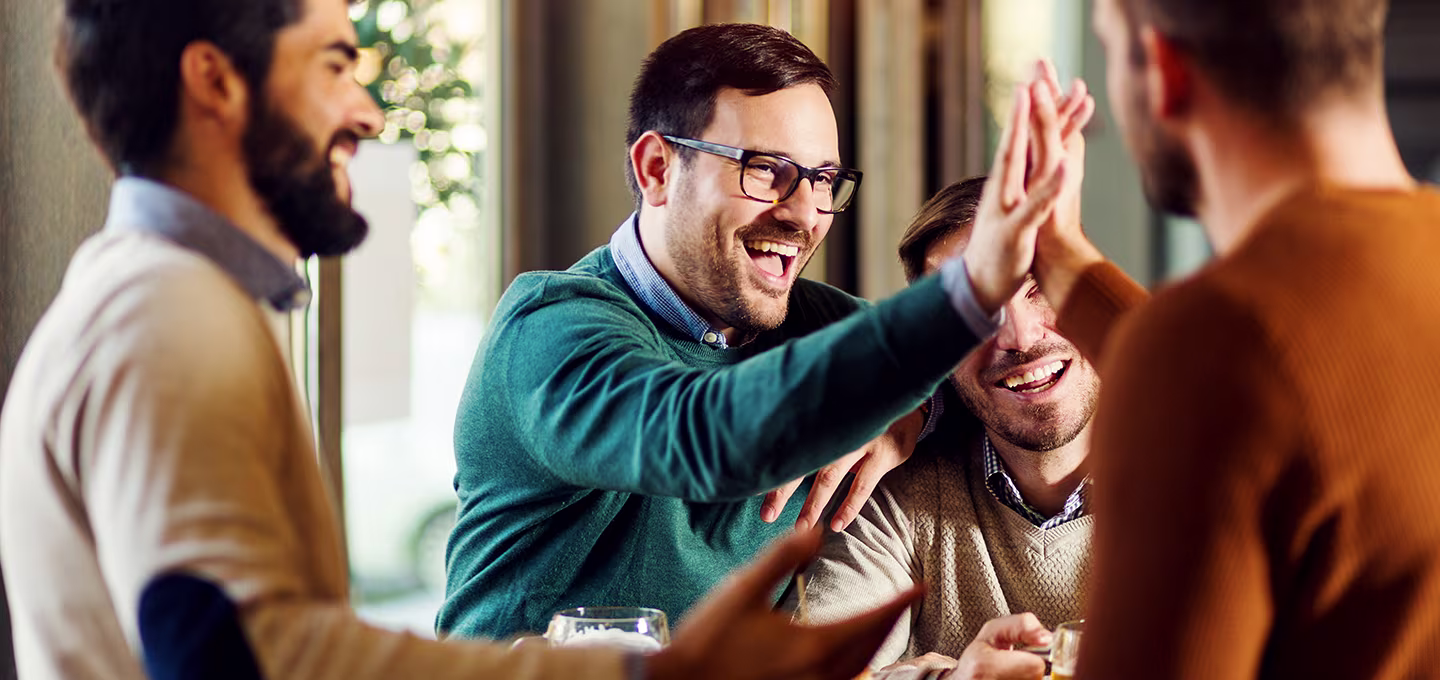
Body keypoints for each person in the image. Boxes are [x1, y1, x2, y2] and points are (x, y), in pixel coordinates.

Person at [0, 1, 938, 678]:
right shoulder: (171, 316)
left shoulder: (164, 298)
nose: (367, 112)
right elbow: (231, 653)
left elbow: (931, 369)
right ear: (213, 80)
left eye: (822, 179)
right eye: (334, 64)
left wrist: (894, 412)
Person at [438, 22, 1073, 640]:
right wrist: (968, 289)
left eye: (824, 180)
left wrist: (916, 408)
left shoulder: (825, 324)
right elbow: (702, 434)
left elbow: (993, 384)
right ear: (657, 168)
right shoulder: (548, 332)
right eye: (766, 169)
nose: (804, 215)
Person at [1026, 0, 1440, 677]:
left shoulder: (1209, 348)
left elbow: (1238, 374)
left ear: (1163, 72)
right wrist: (1061, 254)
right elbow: (1292, 407)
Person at [790, 167, 1102, 677]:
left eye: (1037, 287)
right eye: (973, 312)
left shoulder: (1201, 468)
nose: (1019, 337)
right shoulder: (897, 497)